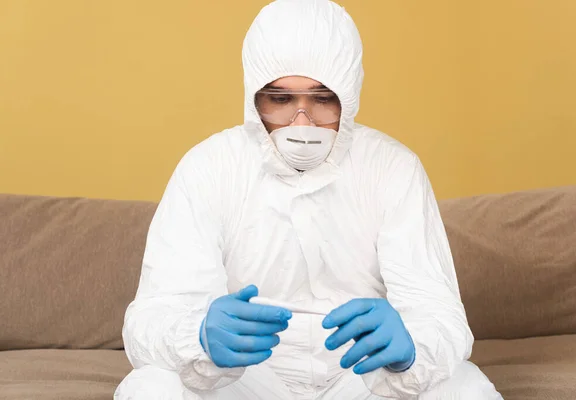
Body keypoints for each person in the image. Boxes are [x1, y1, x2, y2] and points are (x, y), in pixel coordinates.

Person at [115, 0, 503, 398]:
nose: (303, 123)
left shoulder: (393, 168)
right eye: (281, 100)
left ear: (347, 97)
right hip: (245, 379)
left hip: (362, 377)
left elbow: (439, 312)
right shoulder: (209, 168)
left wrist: (410, 350)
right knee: (149, 387)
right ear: (254, 99)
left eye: (321, 98)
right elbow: (152, 316)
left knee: (464, 386)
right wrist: (197, 337)